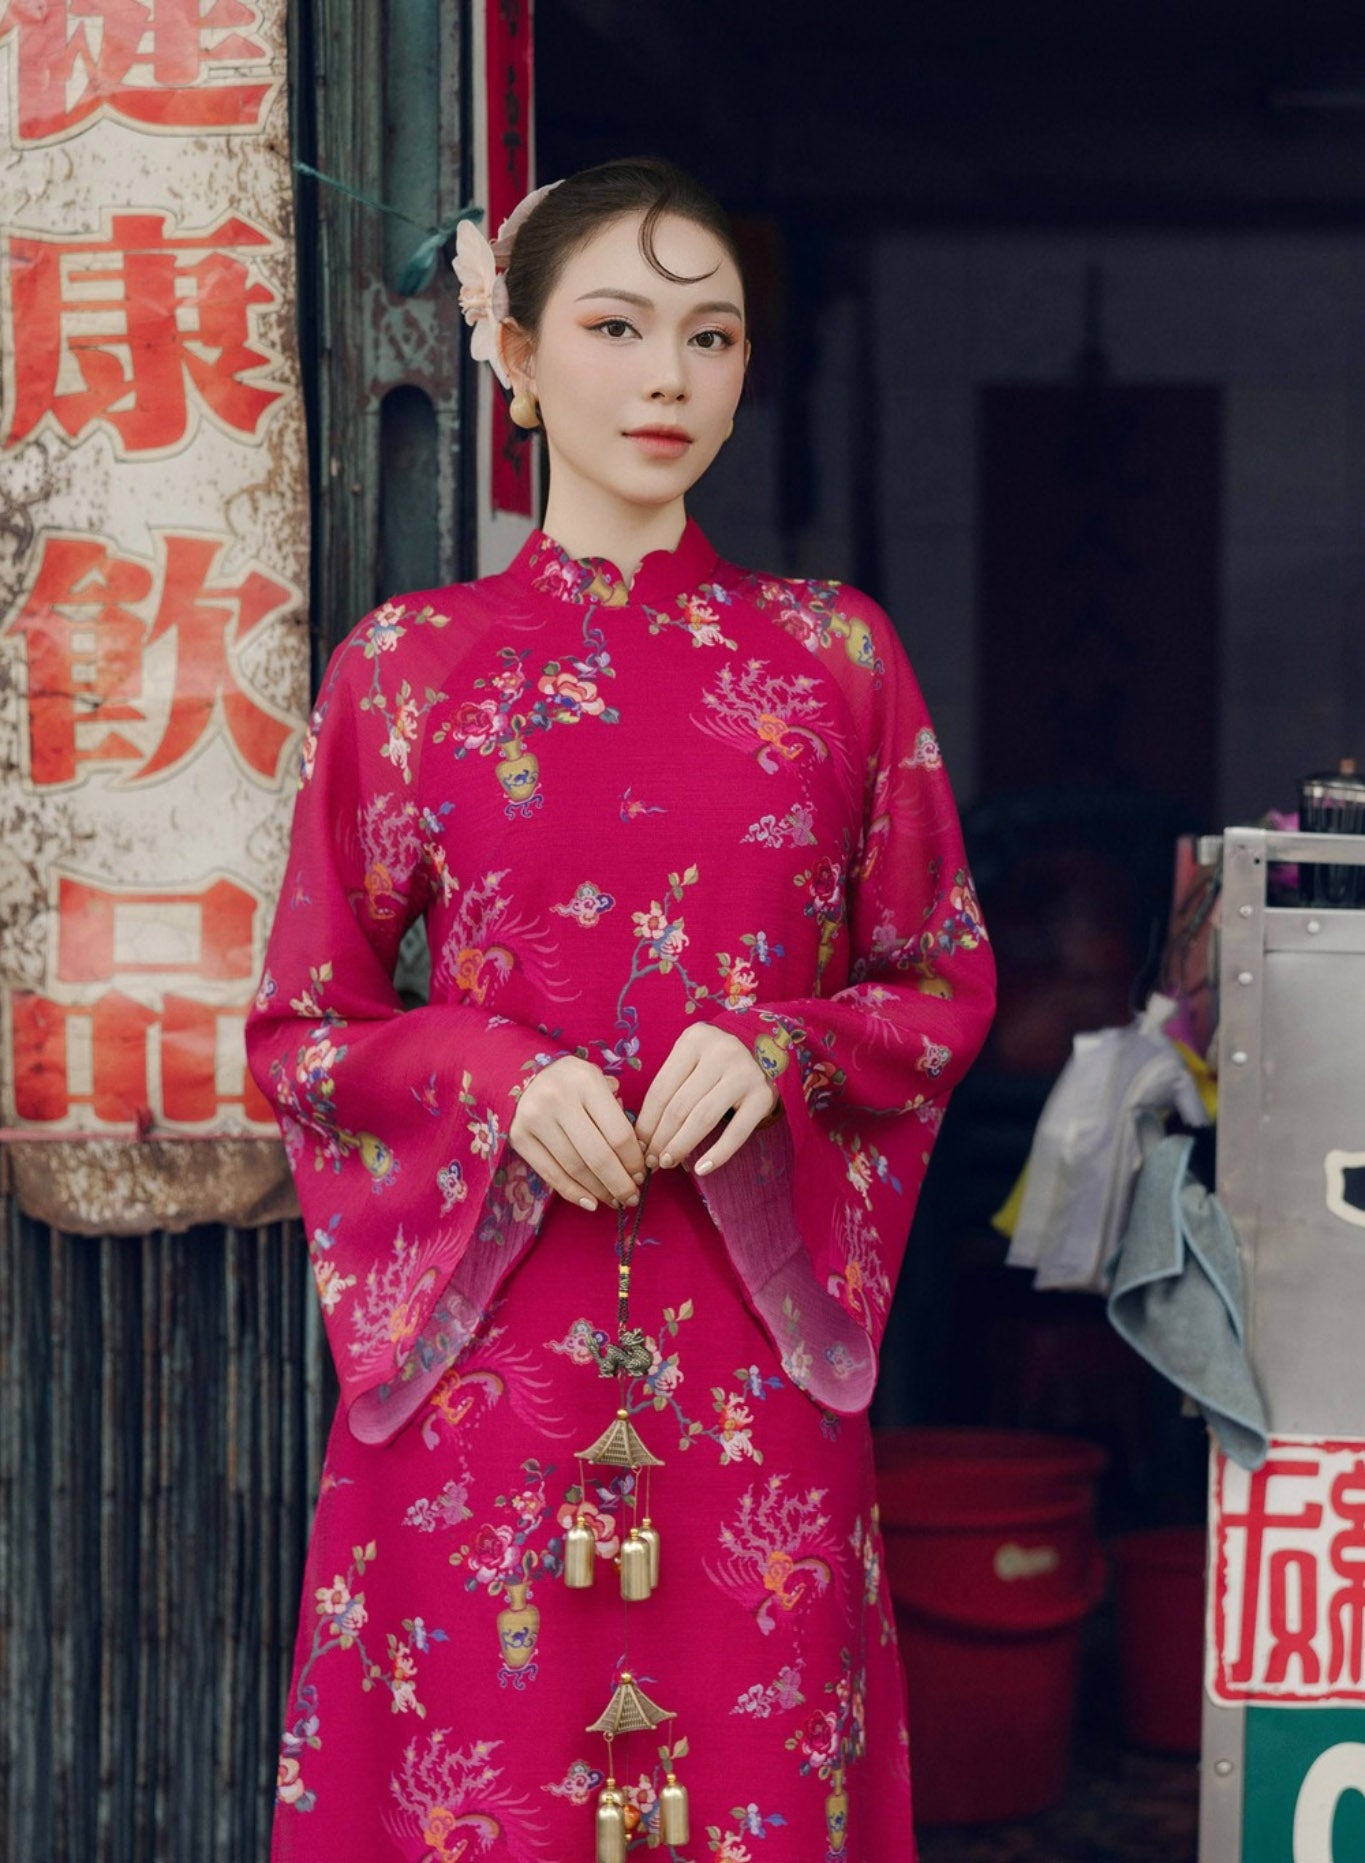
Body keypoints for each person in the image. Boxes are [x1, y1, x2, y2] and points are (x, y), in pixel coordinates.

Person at [247, 155, 995, 1862]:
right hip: (484, 1356)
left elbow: (942, 981)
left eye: (710, 335)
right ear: (507, 352)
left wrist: (787, 1045)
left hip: (750, 1354)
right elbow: (304, 1031)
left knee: (752, 1774)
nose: (667, 377)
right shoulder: (408, 668)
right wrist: (489, 1068)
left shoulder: (833, 660)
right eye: (614, 325)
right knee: (473, 1791)